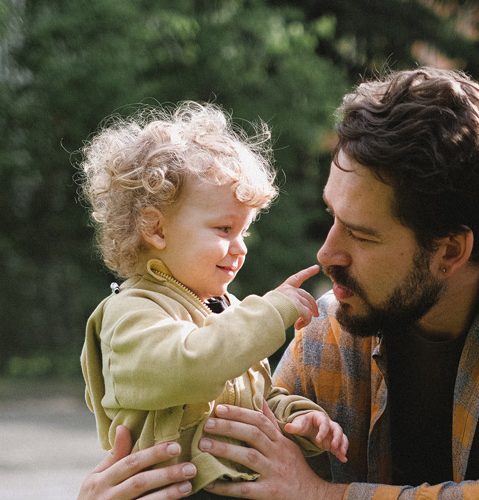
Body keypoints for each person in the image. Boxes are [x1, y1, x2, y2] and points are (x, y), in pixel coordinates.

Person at [78, 68, 479, 500]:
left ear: (450, 251)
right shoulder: (331, 329)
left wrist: (323, 495)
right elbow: (255, 470)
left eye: (361, 236)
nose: (326, 253)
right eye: (331, 217)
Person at [76, 101, 348, 498]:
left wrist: (299, 419)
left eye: (245, 233)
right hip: (175, 488)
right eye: (224, 228)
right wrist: (272, 311)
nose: (240, 248)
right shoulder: (131, 314)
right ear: (156, 228)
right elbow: (191, 366)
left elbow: (259, 396)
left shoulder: (226, 310)